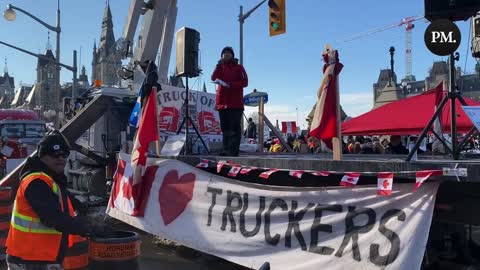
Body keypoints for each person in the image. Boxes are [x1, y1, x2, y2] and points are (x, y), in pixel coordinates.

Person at [6, 130, 109, 270]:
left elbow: (61, 196)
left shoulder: (49, 179)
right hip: (31, 260)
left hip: (39, 257)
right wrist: (88, 229)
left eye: (64, 155)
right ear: (42, 156)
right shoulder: (36, 182)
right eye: (54, 155)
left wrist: (80, 206)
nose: (60, 159)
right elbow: (52, 217)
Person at [211, 46, 248, 156]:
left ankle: (233, 151)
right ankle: (226, 149)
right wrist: (218, 65)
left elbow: (245, 82)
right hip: (222, 103)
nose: (226, 55)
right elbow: (213, 78)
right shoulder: (220, 67)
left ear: (232, 55)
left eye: (228, 53)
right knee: (225, 128)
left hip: (235, 103)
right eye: (224, 53)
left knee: (234, 127)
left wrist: (231, 85)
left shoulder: (239, 68)